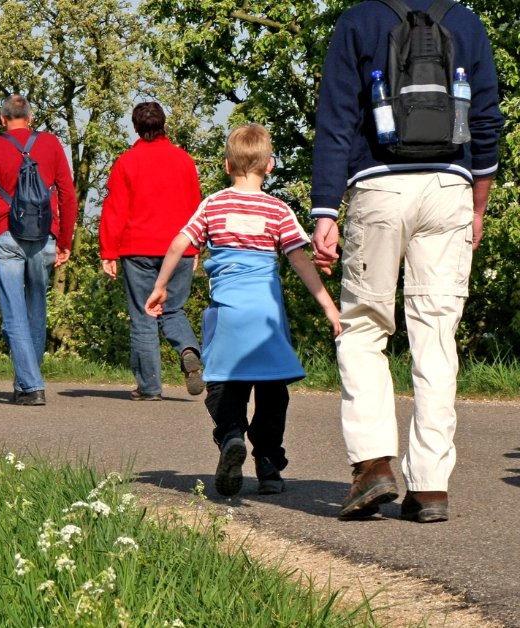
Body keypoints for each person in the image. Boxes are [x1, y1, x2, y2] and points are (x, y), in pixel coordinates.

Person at [311, 0, 505, 522]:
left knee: (362, 327)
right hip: (449, 189)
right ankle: (431, 487)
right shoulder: (464, 21)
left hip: (379, 189)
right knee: (436, 333)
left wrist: (325, 210)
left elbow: (336, 119)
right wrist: (477, 204)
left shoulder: (358, 20)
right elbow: (486, 119)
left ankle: (374, 464)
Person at [147, 123, 342, 497]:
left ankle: (232, 436)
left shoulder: (214, 205)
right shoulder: (278, 210)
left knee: (224, 386)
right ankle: (268, 464)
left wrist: (160, 288)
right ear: (269, 166)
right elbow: (300, 261)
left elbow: (178, 244)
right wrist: (330, 309)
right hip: (267, 322)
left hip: (228, 319)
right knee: (273, 393)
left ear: (226, 165)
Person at [0, 94, 77, 405]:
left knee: (13, 311)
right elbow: (68, 195)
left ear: (2, 119)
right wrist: (64, 241)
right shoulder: (50, 144)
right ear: (31, 118)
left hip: (6, 234)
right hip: (44, 236)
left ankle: (31, 385)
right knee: (36, 307)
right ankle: (27, 380)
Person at [99, 102, 204, 401]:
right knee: (173, 309)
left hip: (138, 248)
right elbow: (195, 205)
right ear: (164, 124)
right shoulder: (184, 160)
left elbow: (114, 209)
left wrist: (109, 251)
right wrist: (195, 245)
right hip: (180, 246)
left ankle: (149, 387)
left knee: (144, 315)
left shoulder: (126, 162)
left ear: (135, 127)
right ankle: (187, 349)